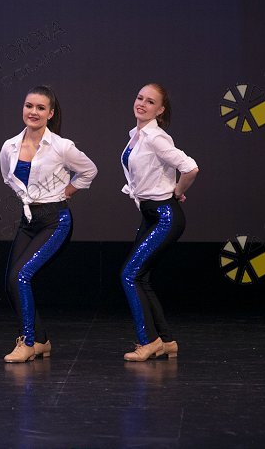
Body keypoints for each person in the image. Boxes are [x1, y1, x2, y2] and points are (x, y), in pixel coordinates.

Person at [0, 85, 97, 362]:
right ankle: (41, 340)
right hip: (28, 220)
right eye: (29, 106)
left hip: (55, 221)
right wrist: (28, 198)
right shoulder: (9, 146)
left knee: (20, 277)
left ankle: (28, 342)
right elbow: (8, 177)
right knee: (11, 282)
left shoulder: (61, 146)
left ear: (50, 113)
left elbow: (89, 170)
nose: (33, 112)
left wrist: (67, 191)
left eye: (41, 108)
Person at [119, 83, 199, 362]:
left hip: (165, 216)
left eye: (150, 101)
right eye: (140, 97)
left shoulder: (155, 137)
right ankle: (165, 341)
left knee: (129, 275)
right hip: (151, 215)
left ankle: (149, 341)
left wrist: (177, 191)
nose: (142, 104)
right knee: (141, 277)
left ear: (160, 110)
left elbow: (190, 168)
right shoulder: (136, 136)